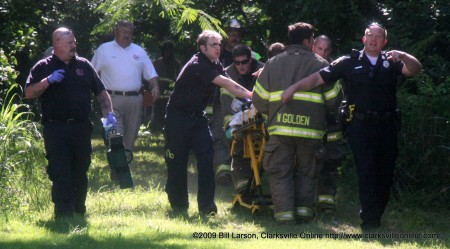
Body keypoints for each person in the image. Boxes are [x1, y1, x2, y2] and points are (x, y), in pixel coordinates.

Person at [281, 23, 422, 232]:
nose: (373, 39)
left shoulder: (391, 62)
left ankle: (375, 215)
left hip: (387, 127)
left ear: (384, 42)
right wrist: (293, 88)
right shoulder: (349, 62)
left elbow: (415, 70)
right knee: (366, 171)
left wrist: (403, 55)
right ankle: (370, 222)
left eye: (378, 36)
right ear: (363, 39)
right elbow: (319, 77)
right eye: (369, 35)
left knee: (385, 173)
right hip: (360, 127)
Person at [25, 27, 116, 218]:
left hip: (81, 128)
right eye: (69, 43)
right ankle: (63, 212)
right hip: (55, 128)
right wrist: (47, 81)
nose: (74, 46)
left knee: (80, 169)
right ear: (57, 43)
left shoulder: (84, 66)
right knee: (60, 170)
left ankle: (78, 209)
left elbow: (101, 93)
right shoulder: (42, 67)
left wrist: (109, 116)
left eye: (74, 42)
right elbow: (29, 93)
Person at [253, 22, 338, 224]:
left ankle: (284, 218)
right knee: (307, 172)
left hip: (280, 130)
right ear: (308, 41)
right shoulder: (322, 65)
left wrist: (273, 112)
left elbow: (258, 99)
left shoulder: (272, 64)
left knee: (279, 172)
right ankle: (304, 215)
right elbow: (334, 98)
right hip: (311, 132)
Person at [164, 30, 253, 216]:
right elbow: (227, 84)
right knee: (178, 163)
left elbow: (230, 81)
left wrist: (250, 96)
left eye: (219, 44)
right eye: (214, 45)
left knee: (206, 159)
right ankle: (179, 205)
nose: (218, 48)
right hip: (177, 118)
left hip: (198, 118)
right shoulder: (198, 64)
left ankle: (207, 207)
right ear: (203, 48)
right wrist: (254, 96)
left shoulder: (215, 63)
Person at [91, 20, 159, 150]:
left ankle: (124, 166)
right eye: (123, 32)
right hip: (110, 100)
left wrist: (155, 86)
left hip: (135, 101)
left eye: (129, 32)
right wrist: (97, 94)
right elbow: (92, 73)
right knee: (114, 137)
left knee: (130, 139)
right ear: (115, 32)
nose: (126, 35)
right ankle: (117, 166)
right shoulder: (103, 50)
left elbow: (151, 74)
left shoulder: (139, 51)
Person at [221, 44, 264, 196]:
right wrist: (230, 128)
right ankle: (243, 189)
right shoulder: (227, 74)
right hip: (236, 119)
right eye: (237, 62)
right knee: (238, 149)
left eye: (244, 62)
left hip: (261, 117)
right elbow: (225, 105)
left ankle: (261, 184)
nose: (240, 66)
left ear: (250, 59)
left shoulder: (263, 70)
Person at [312, 35, 346, 219]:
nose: (323, 53)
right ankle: (306, 203)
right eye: (319, 49)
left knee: (330, 164)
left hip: (332, 124)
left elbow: (338, 99)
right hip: (311, 124)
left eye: (326, 50)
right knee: (307, 164)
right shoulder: (307, 67)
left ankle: (327, 204)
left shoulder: (336, 68)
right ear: (313, 47)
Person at [150, 40, 181, 134]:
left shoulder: (176, 64)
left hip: (171, 96)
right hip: (158, 95)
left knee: (170, 115)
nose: (167, 53)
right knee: (157, 113)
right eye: (165, 50)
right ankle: (155, 129)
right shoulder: (156, 63)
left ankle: (169, 131)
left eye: (169, 51)